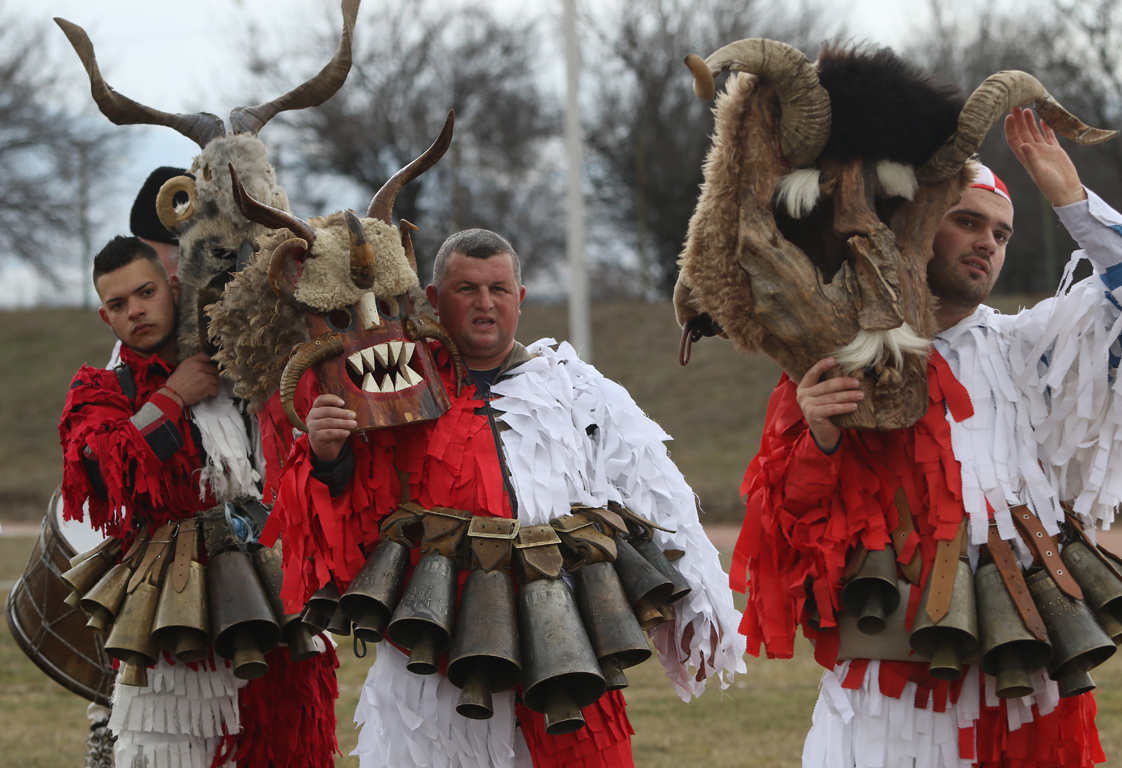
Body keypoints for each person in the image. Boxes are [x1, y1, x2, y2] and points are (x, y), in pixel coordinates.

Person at [270, 228, 746, 768]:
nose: (484, 303)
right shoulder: (388, 390)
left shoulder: (574, 387)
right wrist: (328, 455)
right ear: (431, 300)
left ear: (520, 298)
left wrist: (699, 608)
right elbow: (348, 518)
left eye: (498, 288)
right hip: (433, 657)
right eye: (465, 289)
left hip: (569, 645)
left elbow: (653, 487)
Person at [735, 107, 1122, 767]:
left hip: (1031, 666)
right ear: (914, 224)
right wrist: (819, 438)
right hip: (892, 684)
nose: (987, 244)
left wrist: (1071, 198)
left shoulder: (1027, 348)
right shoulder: (833, 353)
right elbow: (787, 526)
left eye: (1001, 233)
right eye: (966, 221)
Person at [58, 236, 338, 768]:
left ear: (174, 289)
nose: (135, 310)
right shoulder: (100, 389)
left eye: (145, 292)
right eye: (119, 304)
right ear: (105, 317)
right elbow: (98, 470)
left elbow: (300, 467)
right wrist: (172, 398)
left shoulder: (250, 373)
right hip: (170, 622)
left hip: (278, 606)